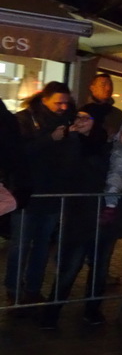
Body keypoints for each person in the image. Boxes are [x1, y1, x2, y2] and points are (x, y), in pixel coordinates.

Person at [38, 109, 113, 327]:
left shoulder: (105, 144)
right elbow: (66, 170)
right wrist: (71, 140)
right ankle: (52, 311)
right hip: (79, 213)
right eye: (77, 117)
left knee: (100, 267)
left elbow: (108, 171)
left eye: (85, 118)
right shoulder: (70, 142)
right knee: (71, 265)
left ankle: (92, 309)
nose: (79, 122)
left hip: (103, 213)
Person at [6, 82, 75, 306]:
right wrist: (48, 140)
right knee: (21, 245)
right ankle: (14, 290)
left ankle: (33, 289)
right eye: (59, 103)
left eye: (66, 102)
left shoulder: (67, 120)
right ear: (44, 99)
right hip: (27, 193)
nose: (63, 107)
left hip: (53, 193)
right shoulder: (24, 119)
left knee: (43, 246)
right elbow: (16, 153)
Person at [81, 73, 122, 140]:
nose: (108, 88)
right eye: (103, 85)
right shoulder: (84, 112)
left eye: (110, 85)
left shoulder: (118, 114)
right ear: (92, 88)